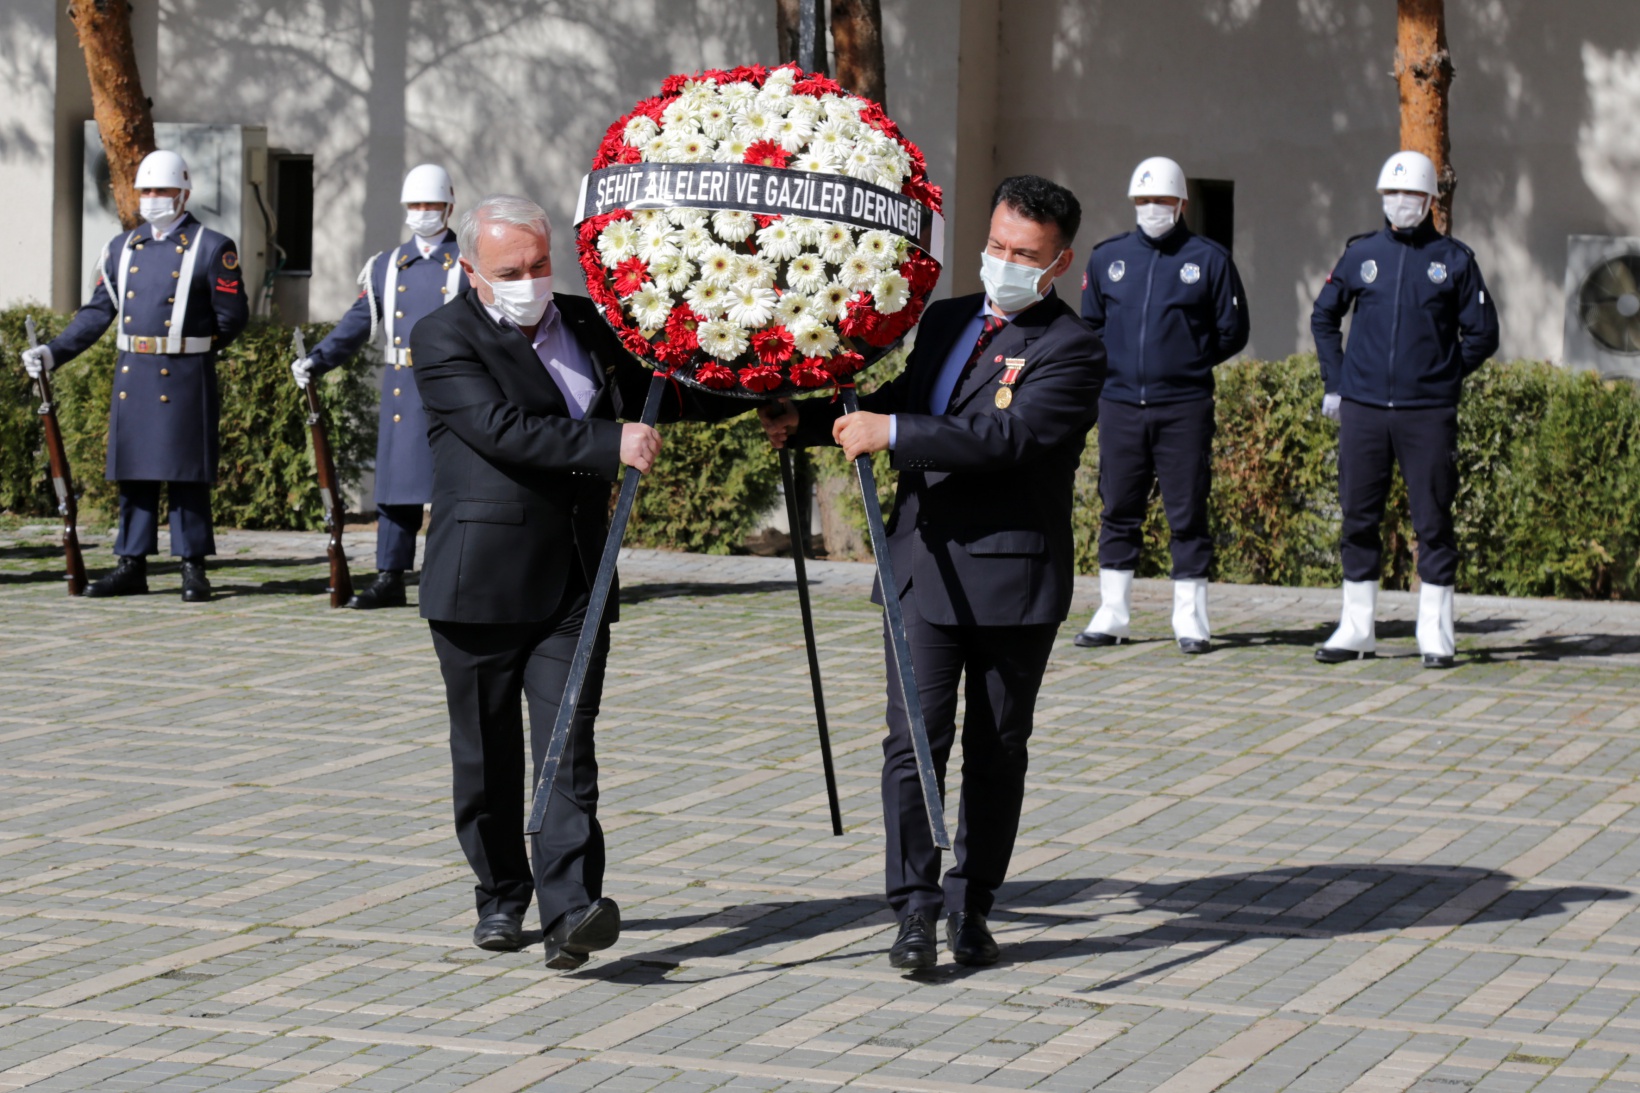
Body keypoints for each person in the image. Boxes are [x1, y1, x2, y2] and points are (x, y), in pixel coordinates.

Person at [759, 176, 1106, 970]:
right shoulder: (949, 318)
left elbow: (1001, 439)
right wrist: (812, 421)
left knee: (996, 749)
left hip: (1011, 581)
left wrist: (894, 430)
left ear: (1059, 263)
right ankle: (912, 909)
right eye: (996, 246)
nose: (1004, 263)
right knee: (912, 740)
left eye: (1025, 254)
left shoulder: (1073, 348)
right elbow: (901, 400)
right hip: (921, 567)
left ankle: (971, 900)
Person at [410, 194, 687, 970]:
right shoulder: (441, 335)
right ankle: (501, 894)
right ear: (471, 269)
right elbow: (501, 429)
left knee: (568, 749)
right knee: (487, 755)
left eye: (539, 264)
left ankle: (572, 911)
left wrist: (763, 389)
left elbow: (661, 389)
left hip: (574, 576)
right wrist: (610, 441)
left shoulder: (589, 320)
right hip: (480, 583)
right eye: (510, 270)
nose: (530, 280)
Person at [22, 149, 248, 602]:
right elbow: (96, 314)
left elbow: (233, 317)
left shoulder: (212, 247)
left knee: (187, 475)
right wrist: (52, 352)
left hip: (185, 372)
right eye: (146, 190)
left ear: (184, 193)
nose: (153, 198)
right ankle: (131, 563)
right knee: (135, 473)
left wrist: (190, 346)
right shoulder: (121, 248)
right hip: (136, 371)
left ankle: (192, 567)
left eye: (162, 190)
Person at [1310, 150, 1499, 668]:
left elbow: (1483, 334)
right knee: (1358, 518)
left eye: (1411, 194)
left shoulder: (1455, 260)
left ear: (1431, 200)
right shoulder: (1360, 253)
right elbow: (1324, 316)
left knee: (1433, 520)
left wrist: (1442, 375)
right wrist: (1338, 379)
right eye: (1391, 194)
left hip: (1427, 414)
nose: (1399, 203)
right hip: (1364, 409)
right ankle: (1355, 628)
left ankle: (1435, 633)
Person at [1074, 157, 1249, 654]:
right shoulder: (1108, 257)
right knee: (1119, 508)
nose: (1153, 209)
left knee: (1187, 510)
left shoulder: (1210, 259)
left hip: (1184, 405)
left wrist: (1188, 363)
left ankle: (1190, 619)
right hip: (1121, 404)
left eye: (1162, 201)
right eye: (1144, 201)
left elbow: (1232, 331)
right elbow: (1093, 325)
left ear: (1182, 204)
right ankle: (1112, 614)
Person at [292, 164, 463, 609]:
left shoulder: (467, 262)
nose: (423, 212)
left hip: (453, 385)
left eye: (431, 204)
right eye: (416, 205)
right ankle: (389, 574)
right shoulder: (387, 265)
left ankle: (450, 574)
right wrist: (317, 359)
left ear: (448, 206)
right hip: (403, 385)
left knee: (452, 486)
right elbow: (357, 323)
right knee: (397, 485)